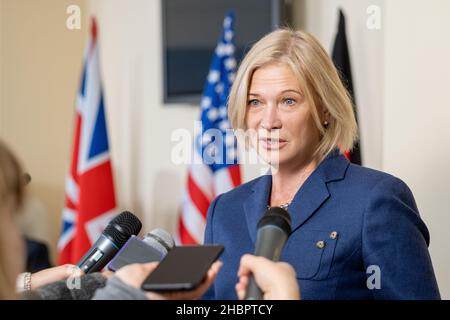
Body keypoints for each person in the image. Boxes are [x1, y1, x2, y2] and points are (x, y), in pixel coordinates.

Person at [203, 29, 440, 300]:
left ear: (325, 108)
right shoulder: (223, 210)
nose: (269, 121)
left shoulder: (376, 199)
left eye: (288, 101)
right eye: (255, 102)